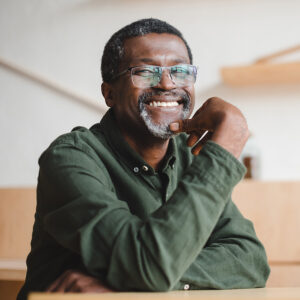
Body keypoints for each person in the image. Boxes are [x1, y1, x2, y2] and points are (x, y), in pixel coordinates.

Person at [17, 18, 270, 299]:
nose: (166, 84)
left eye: (180, 71)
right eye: (146, 71)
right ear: (109, 93)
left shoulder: (192, 155)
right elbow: (150, 267)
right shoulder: (70, 158)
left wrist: (137, 280)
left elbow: (250, 261)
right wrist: (223, 150)